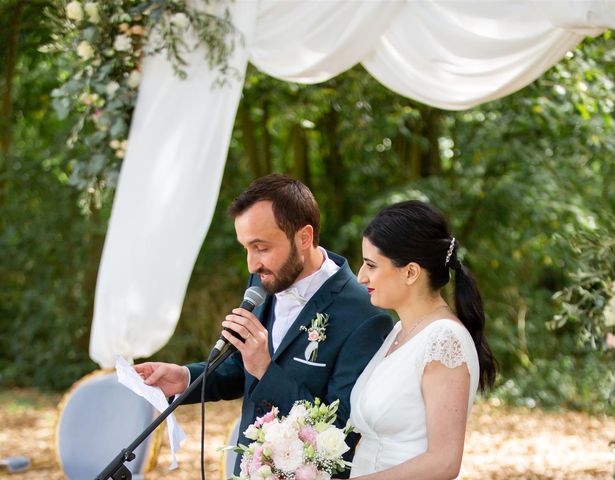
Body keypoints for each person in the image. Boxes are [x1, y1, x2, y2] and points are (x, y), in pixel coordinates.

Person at [134, 174, 393, 477]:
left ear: (304, 237)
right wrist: (185, 378)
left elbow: (341, 431)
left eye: (261, 247)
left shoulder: (365, 315)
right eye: (246, 248)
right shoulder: (263, 280)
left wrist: (265, 370)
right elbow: (238, 370)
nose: (251, 264)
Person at [348, 200, 496, 479]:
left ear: (411, 272)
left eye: (371, 265)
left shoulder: (444, 340)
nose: (360, 276)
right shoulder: (399, 332)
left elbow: (444, 462)